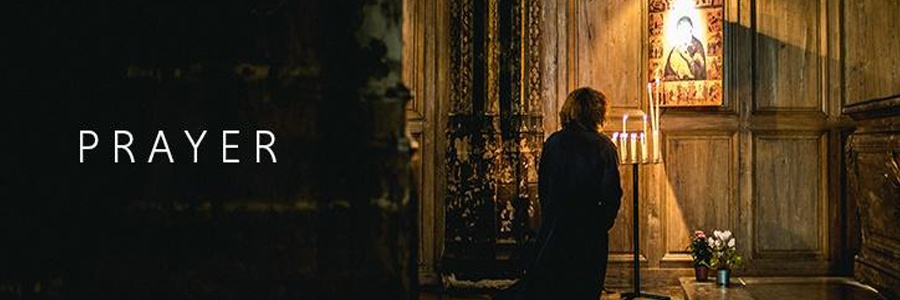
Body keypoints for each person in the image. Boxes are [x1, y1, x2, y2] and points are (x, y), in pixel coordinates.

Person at [495, 87, 623, 300]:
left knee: (553, 288)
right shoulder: (604, 147)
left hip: (556, 229)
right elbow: (611, 194)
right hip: (590, 233)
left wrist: (553, 216)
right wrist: (602, 224)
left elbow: (544, 187)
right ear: (597, 114)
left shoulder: (553, 142)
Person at [664, 16, 707, 80]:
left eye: (685, 29)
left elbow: (699, 73)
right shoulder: (676, 49)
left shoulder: (697, 46)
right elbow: (667, 73)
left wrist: (687, 57)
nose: (683, 33)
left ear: (691, 30)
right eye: (680, 30)